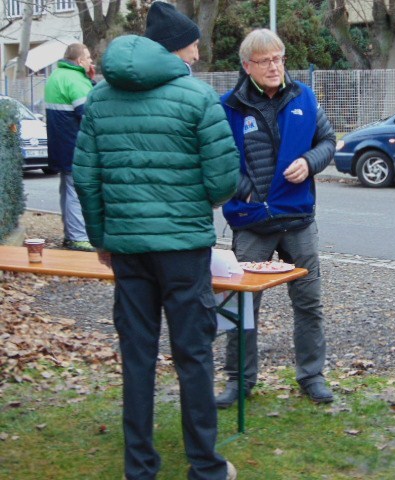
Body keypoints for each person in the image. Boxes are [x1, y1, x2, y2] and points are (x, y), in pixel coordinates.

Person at [72, 2, 240, 479]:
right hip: (184, 251)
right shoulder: (198, 97)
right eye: (193, 45)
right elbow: (223, 181)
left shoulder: (100, 98)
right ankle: (205, 466)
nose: (197, 53)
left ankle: (140, 467)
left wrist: (102, 239)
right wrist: (192, 203)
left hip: (128, 250)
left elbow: (85, 178)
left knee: (138, 358)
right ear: (174, 49)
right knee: (194, 356)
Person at [216, 28, 336, 408]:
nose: (274, 66)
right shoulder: (228, 107)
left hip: (298, 220)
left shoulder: (304, 97)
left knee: (309, 302)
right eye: (265, 60)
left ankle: (312, 376)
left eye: (279, 58)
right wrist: (246, 191)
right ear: (247, 65)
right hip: (252, 223)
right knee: (242, 305)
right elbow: (217, 160)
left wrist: (310, 162)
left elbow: (328, 142)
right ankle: (239, 380)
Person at [44, 43, 95, 252]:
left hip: (60, 144)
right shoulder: (75, 79)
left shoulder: (56, 76)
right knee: (77, 190)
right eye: (88, 57)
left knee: (67, 189)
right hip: (75, 145)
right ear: (79, 61)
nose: (91, 61)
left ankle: (70, 234)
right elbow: (88, 115)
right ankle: (78, 237)